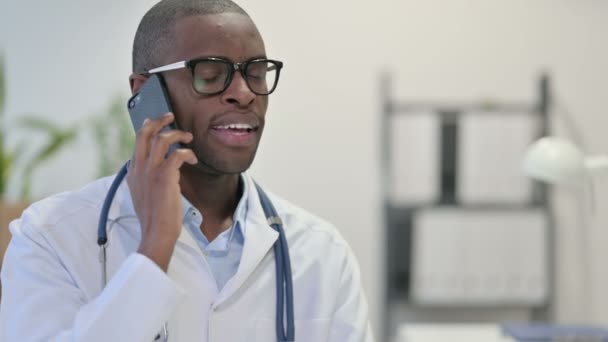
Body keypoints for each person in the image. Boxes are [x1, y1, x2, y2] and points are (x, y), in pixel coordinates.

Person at [0, 0, 374, 341]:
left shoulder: (322, 252)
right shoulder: (50, 238)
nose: (244, 93)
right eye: (211, 75)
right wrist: (154, 248)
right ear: (145, 92)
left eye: (257, 73)